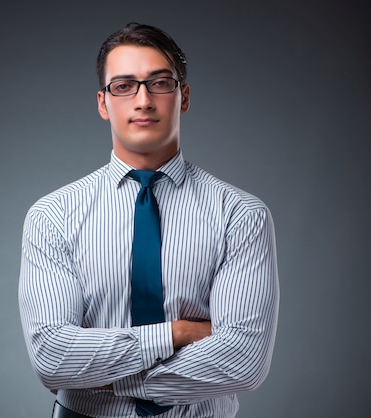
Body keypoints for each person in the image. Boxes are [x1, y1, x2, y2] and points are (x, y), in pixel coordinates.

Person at [18, 22, 279, 418]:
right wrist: (178, 334)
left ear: (184, 97)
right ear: (104, 103)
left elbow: (243, 361)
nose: (143, 100)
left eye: (159, 83)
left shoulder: (240, 216)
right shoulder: (53, 217)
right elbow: (52, 359)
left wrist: (105, 375)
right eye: (124, 86)